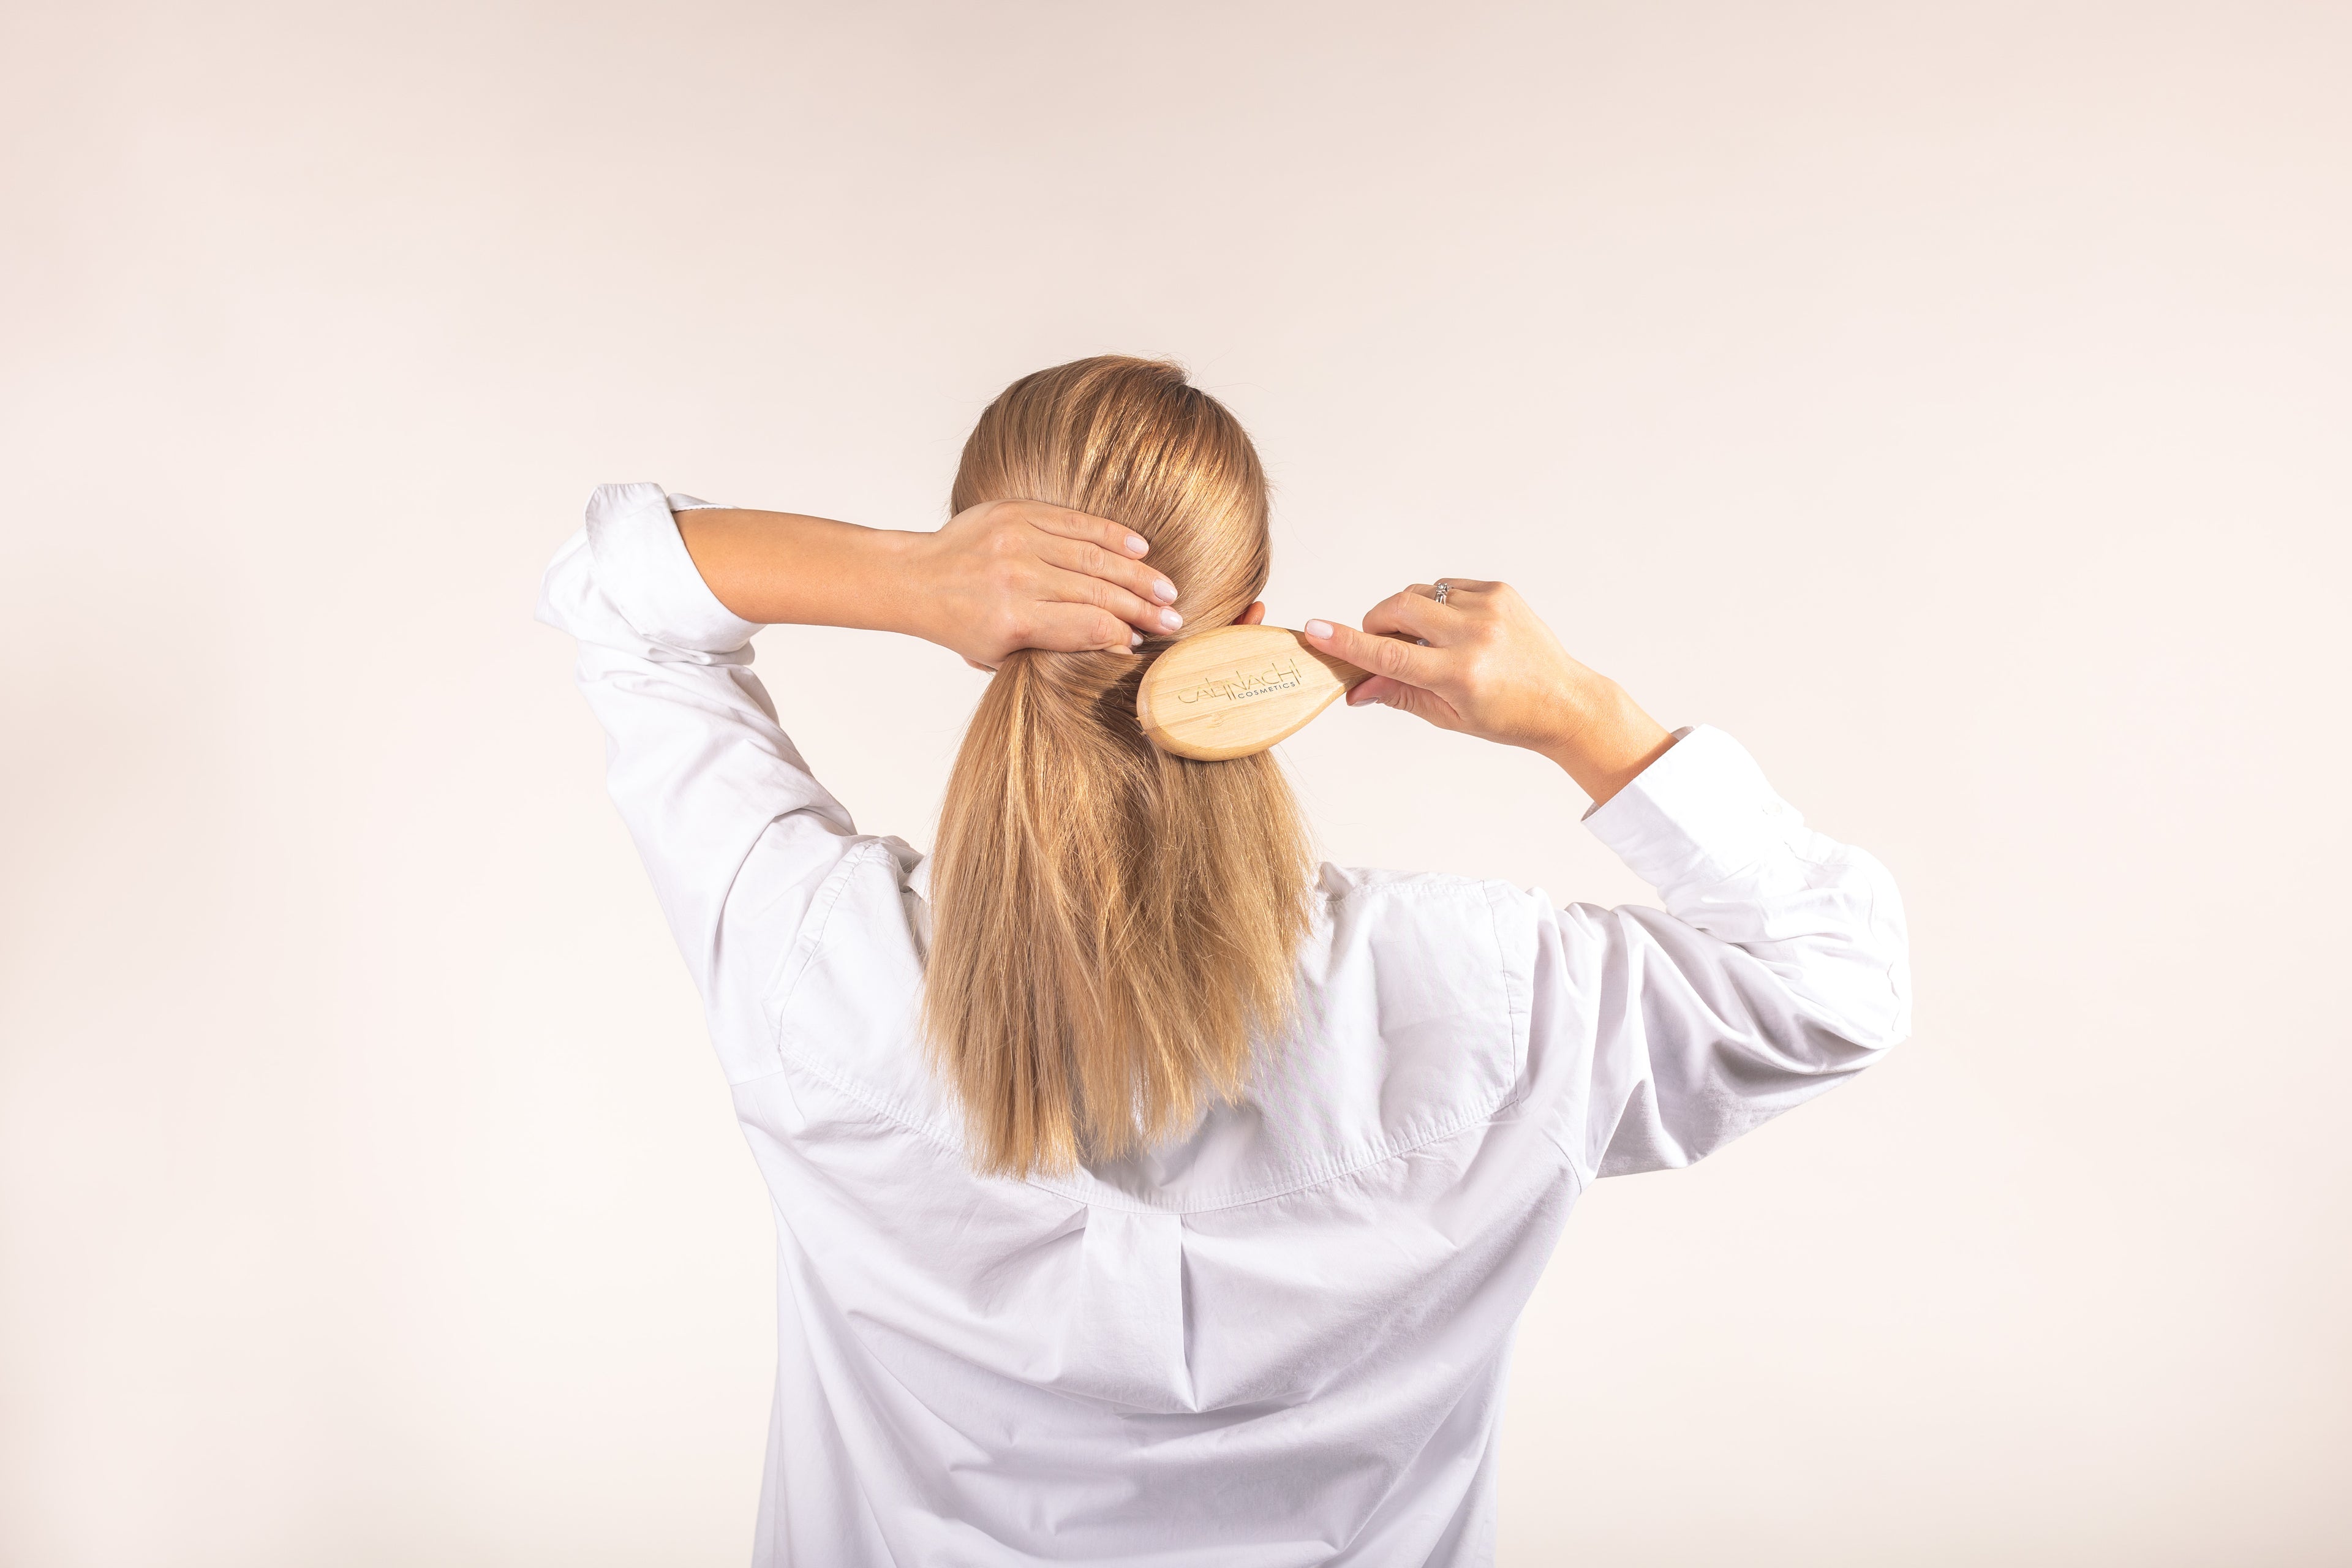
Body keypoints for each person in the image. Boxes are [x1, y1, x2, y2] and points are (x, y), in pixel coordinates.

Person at [536, 355, 1910, 1566]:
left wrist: (905, 579)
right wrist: (1581, 714)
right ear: (1249, 623)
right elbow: (1837, 984)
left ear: (985, 620)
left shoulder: (814, 963)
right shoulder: (1474, 992)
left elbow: (619, 591)